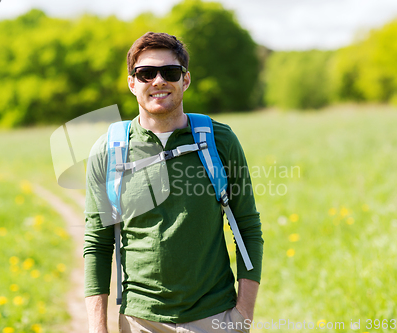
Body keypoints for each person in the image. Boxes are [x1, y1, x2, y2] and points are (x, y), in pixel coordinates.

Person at [83, 32, 263, 333]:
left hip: (214, 316)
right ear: (132, 83)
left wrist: (243, 316)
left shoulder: (220, 141)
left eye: (170, 72)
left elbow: (247, 228)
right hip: (139, 320)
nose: (158, 81)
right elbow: (97, 244)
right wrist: (98, 328)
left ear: (185, 80)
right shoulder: (108, 151)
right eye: (145, 73)